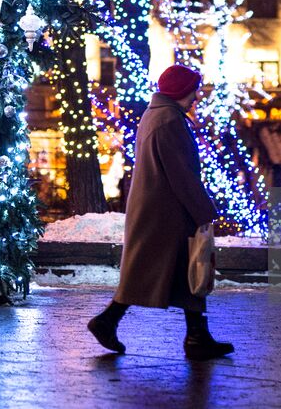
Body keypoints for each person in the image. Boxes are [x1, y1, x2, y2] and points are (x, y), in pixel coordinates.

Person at [87, 64, 234, 360]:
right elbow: (182, 174)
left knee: (186, 271)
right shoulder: (169, 120)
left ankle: (196, 336)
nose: (196, 96)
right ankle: (108, 320)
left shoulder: (160, 115)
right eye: (193, 89)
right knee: (167, 270)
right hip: (167, 212)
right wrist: (205, 211)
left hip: (162, 208)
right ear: (181, 90)